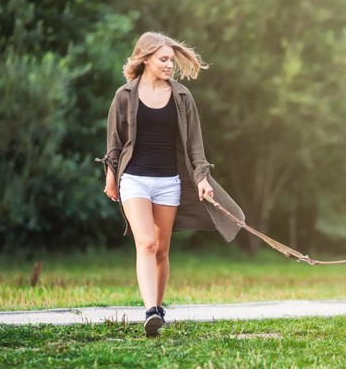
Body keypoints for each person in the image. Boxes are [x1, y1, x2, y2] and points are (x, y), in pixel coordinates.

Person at [98, 32, 245, 337]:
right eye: (163, 59)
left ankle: (158, 309)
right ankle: (150, 310)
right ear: (146, 59)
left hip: (168, 182)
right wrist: (111, 173)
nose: (169, 65)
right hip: (135, 179)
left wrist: (202, 178)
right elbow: (114, 142)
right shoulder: (124, 95)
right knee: (146, 244)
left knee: (162, 250)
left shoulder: (181, 97)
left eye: (171, 60)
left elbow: (194, 145)